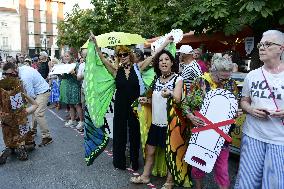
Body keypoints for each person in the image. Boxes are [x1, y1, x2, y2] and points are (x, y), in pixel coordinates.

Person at [89, 32, 173, 171]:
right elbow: (102, 60)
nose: (123, 57)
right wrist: (96, 44)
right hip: (120, 105)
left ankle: (135, 161)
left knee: (134, 133)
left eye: (125, 54)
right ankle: (119, 162)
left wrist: (165, 43)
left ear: (130, 55)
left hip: (135, 106)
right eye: (120, 55)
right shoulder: (116, 71)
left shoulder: (138, 67)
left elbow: (154, 55)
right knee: (119, 133)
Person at [235, 30, 284, 188]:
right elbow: (244, 101)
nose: (262, 48)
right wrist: (250, 110)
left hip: (279, 140)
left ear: (281, 48)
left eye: (268, 44)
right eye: (261, 44)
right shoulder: (252, 75)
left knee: (274, 184)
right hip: (253, 135)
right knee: (247, 183)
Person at [130, 49, 184, 189]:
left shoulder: (178, 79)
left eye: (166, 59)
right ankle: (145, 176)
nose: (163, 62)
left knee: (170, 153)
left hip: (170, 124)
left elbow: (178, 99)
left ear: (172, 62)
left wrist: (170, 93)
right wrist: (145, 100)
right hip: (156, 122)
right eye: (161, 60)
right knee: (150, 151)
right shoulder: (156, 79)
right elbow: (155, 100)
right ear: (158, 64)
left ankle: (170, 181)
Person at [183, 55, 239, 189]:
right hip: (201, 132)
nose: (225, 82)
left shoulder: (231, 83)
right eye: (222, 78)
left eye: (227, 77)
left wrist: (236, 112)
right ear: (213, 71)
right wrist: (191, 117)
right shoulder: (200, 82)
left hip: (222, 134)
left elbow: (235, 106)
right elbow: (185, 104)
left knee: (222, 168)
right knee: (198, 165)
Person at [2, 62, 53, 147]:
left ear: (14, 70)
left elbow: (30, 95)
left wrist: (22, 106)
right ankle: (33, 130)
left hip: (42, 92)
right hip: (37, 91)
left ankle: (47, 137)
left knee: (38, 113)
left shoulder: (25, 77)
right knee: (34, 112)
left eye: (10, 74)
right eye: (6, 74)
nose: (9, 77)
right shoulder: (20, 70)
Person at [0, 89, 38, 164]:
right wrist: (25, 95)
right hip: (22, 136)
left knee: (8, 130)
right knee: (30, 144)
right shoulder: (23, 112)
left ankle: (10, 148)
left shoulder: (3, 115)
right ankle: (22, 147)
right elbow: (35, 105)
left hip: (9, 139)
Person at [60, 52, 84, 130]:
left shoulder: (76, 65)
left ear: (71, 56)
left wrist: (73, 73)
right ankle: (72, 120)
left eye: (67, 56)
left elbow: (78, 77)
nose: (66, 57)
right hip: (68, 86)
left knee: (77, 104)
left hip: (75, 85)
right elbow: (63, 77)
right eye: (65, 56)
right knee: (70, 104)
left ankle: (81, 121)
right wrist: (59, 73)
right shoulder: (64, 66)